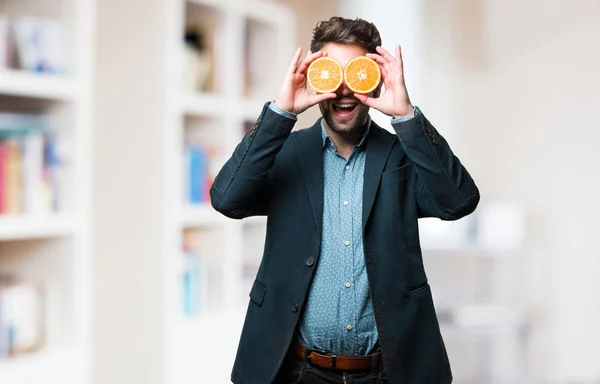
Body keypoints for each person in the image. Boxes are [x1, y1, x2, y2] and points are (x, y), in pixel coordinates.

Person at [211, 16, 480, 384]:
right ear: (314, 76)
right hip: (297, 371)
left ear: (373, 77)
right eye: (329, 74)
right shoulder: (286, 153)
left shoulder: (402, 155)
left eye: (353, 74)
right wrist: (281, 112)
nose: (341, 90)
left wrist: (406, 116)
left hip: (387, 372)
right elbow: (227, 199)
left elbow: (459, 201)